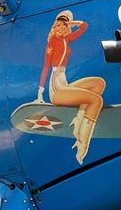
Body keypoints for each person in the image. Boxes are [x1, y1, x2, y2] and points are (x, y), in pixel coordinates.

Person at [36, 10, 106, 164]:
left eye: (63, 24)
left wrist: (72, 23)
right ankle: (82, 144)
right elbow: (46, 67)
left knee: (98, 83)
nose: (60, 27)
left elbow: (84, 26)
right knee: (96, 100)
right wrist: (40, 93)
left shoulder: (67, 39)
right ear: (55, 26)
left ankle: (79, 119)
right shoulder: (52, 41)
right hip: (56, 90)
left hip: (64, 83)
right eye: (58, 24)